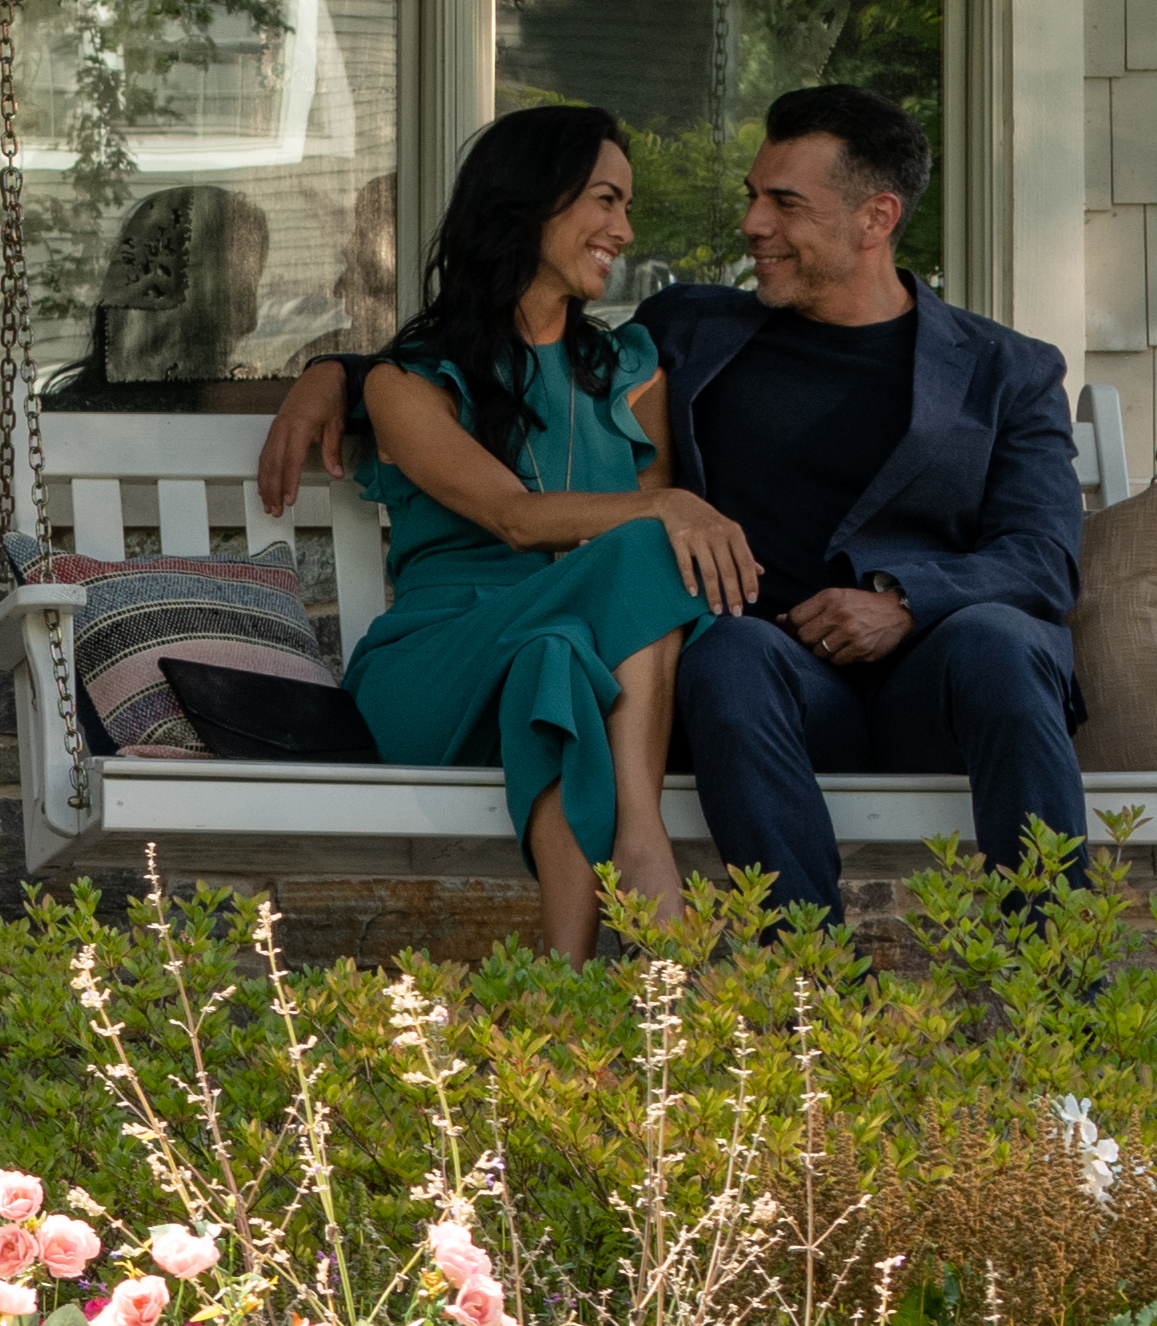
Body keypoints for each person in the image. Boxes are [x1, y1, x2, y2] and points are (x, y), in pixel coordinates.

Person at [270, 78, 1093, 931]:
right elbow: (503, 347)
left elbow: (1041, 559)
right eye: (751, 198)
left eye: (783, 203)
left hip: (940, 683)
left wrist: (903, 603)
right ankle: (801, 998)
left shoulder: (1008, 370)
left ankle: (1061, 990)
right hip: (770, 685)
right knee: (731, 652)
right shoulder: (696, 330)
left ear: (875, 218)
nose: (751, 226)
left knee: (1006, 639)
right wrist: (336, 374)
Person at [323, 103, 763, 958]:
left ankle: (561, 991)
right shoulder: (405, 385)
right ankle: (643, 844)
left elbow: (648, 571)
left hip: (568, 654)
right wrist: (664, 506)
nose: (624, 230)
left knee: (556, 659)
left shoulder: (633, 373)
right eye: (606, 200)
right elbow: (514, 519)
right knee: (644, 545)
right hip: (435, 668)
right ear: (529, 200)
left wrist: (662, 515)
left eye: (627, 207)